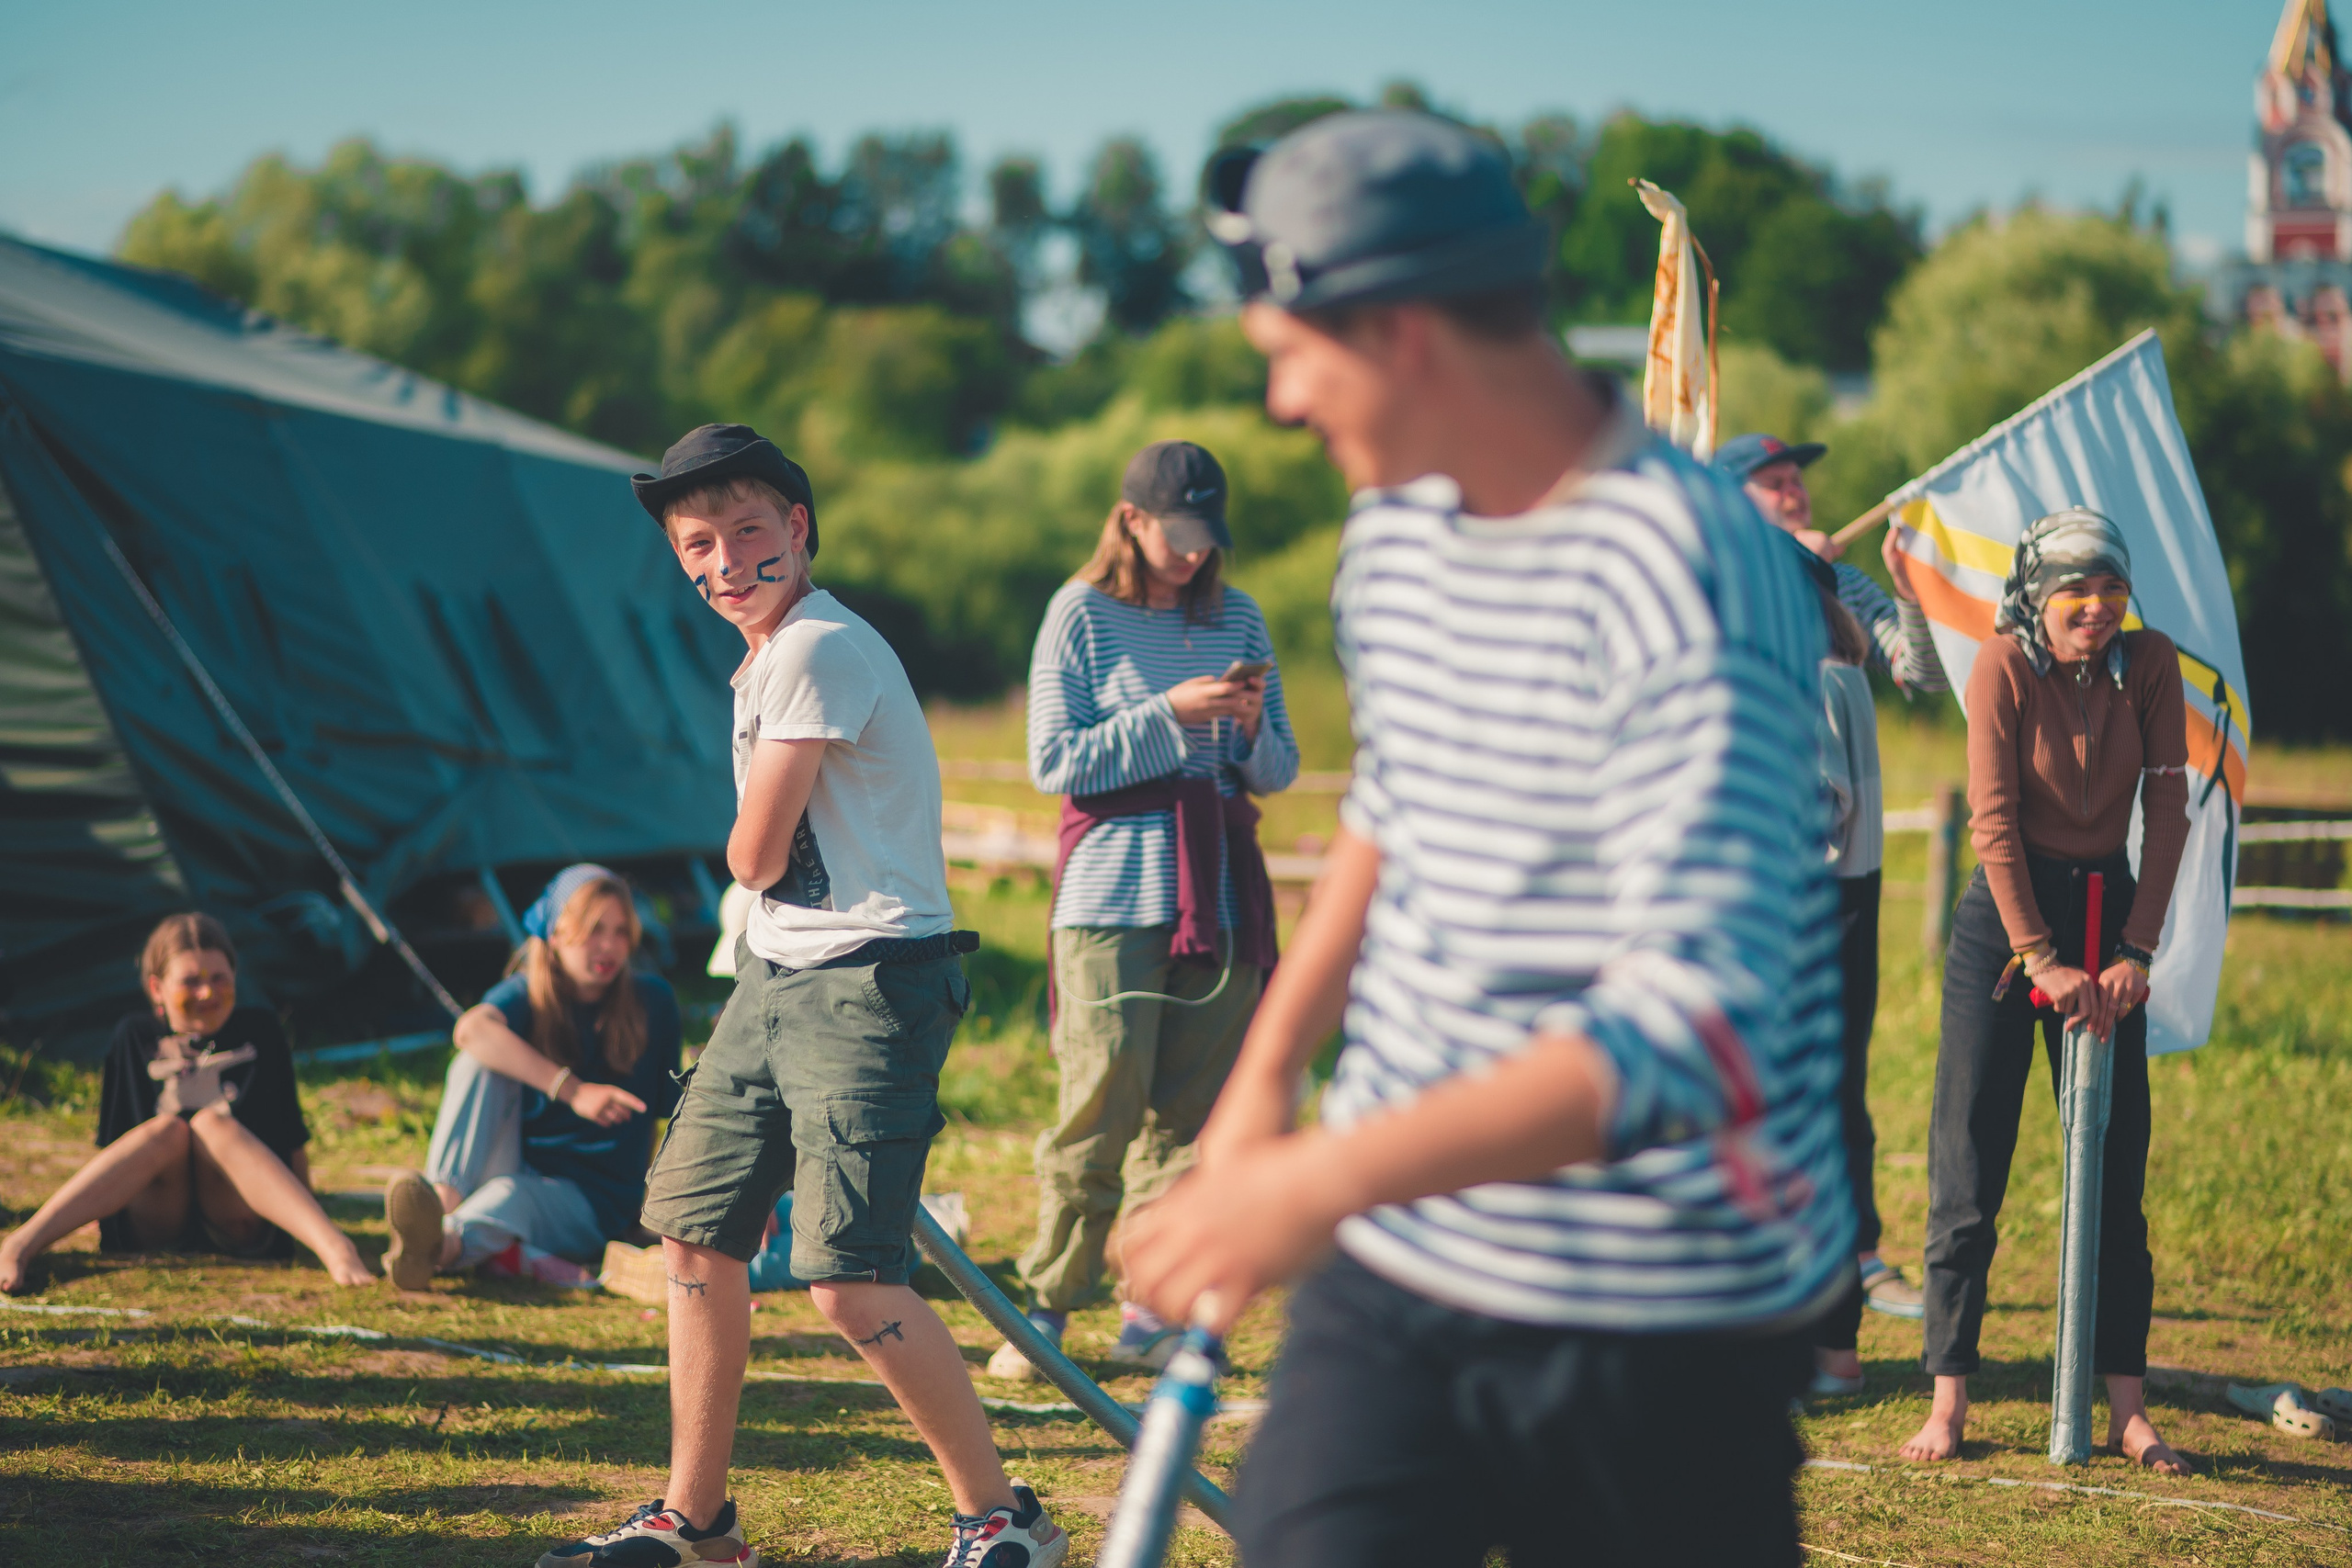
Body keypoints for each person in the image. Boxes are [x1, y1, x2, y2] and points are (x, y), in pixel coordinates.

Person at [1123, 112, 1852, 1567]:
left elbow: (1698, 1029)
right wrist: (1260, 1092)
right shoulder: (1391, 531)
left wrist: (1316, 1179)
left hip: (1664, 1312)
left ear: (1399, 334)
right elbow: (1396, 816)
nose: (1276, 402)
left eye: (1288, 350)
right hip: (1402, 1264)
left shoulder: (1688, 567)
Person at [535, 425, 1065, 1568]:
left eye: (746, 533)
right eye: (698, 544)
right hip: (772, 975)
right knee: (690, 1235)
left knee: (847, 1279)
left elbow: (756, 854)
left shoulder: (818, 647)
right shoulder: (769, 655)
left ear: (798, 531)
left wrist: (735, 849)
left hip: (870, 981)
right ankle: (699, 1523)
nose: (724, 561)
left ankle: (1002, 1518)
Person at [984, 439, 1298, 1382]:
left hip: (1222, 889)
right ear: (1130, 520)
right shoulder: (1078, 615)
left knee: (1191, 1118)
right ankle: (1046, 1308)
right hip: (1113, 891)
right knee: (1099, 1099)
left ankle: (1152, 1309)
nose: (1195, 556)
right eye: (1179, 536)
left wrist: (1243, 729)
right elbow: (1055, 764)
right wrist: (1171, 713)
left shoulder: (1238, 613)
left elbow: (1278, 769)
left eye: (1209, 539)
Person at [1899, 509, 2191, 1474]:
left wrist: (2135, 954)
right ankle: (1948, 1399)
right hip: (2004, 916)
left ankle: (2125, 1408)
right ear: (2036, 594)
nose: (2097, 608)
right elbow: (1990, 821)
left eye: (2110, 588)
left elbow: (2168, 804)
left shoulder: (2148, 665)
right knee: (1971, 1157)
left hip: (2108, 911)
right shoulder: (2001, 666)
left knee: (2114, 1162)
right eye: (2076, 591)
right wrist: (2038, 954)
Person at [1721, 432, 1935, 1327]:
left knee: (1832, 1071)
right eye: (1773, 483)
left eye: (1798, 478)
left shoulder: (1838, 587)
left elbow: (1915, 671)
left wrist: (1903, 596)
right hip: (1760, 871)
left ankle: (1852, 1257)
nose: (1795, 491)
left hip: (1828, 873)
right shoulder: (1718, 584)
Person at [0, 913, 372, 1293]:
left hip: (240, 1219)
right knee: (169, 1131)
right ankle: (22, 1242)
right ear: (157, 988)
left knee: (211, 1125)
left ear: (235, 976)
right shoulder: (133, 1036)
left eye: (218, 978)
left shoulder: (261, 1030)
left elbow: (290, 1135)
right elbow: (116, 1147)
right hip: (157, 1218)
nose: (207, 994)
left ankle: (336, 1247)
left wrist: (308, 1210)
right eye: (191, 981)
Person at [381, 864, 683, 1291]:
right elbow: (471, 1030)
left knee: (511, 1195)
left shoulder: (653, 1000)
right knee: (476, 1061)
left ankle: (439, 1247)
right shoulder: (528, 991)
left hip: (592, 1200)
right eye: (594, 929)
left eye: (620, 932)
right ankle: (440, 1203)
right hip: (515, 1162)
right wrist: (572, 1090)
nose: (609, 946)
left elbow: (675, 1119)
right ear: (555, 935)